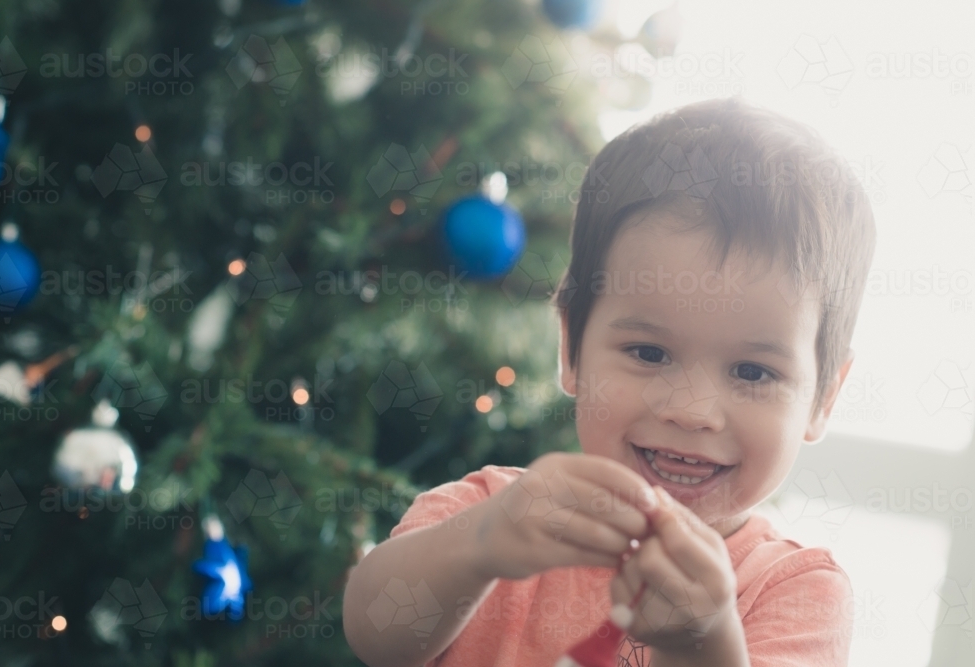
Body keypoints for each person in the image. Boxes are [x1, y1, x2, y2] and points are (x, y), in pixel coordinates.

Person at [342, 95, 878, 667]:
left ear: (824, 396)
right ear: (572, 347)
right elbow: (376, 635)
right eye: (649, 352)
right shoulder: (499, 509)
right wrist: (478, 547)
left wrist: (700, 643)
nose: (691, 410)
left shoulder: (794, 590)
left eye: (753, 371)